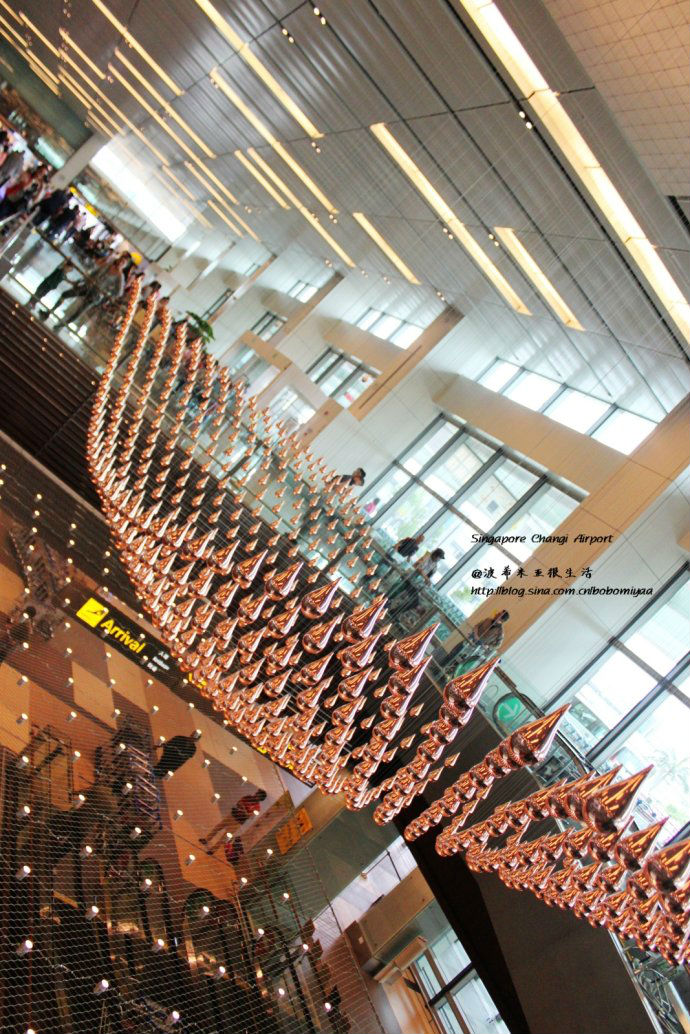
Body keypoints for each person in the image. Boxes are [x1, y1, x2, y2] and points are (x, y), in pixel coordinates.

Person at [199, 788, 267, 852]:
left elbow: (250, 816)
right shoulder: (248, 797)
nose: (255, 795)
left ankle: (213, 850)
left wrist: (243, 809)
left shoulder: (257, 808)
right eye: (257, 793)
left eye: (258, 795)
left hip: (238, 822)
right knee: (218, 827)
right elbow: (239, 803)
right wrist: (245, 811)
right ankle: (206, 840)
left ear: (260, 799)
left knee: (224, 837)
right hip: (231, 816)